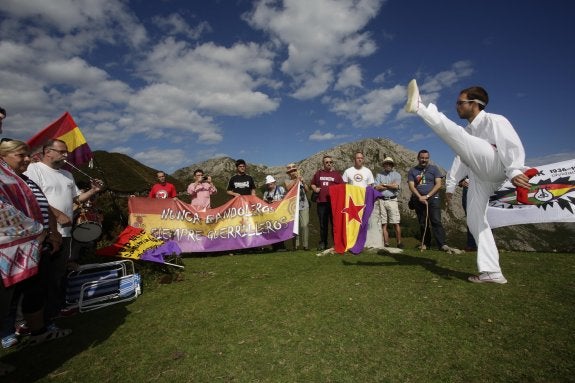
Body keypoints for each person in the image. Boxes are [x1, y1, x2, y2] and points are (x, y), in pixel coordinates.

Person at [405, 79, 530, 284]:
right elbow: (462, 160)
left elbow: (511, 145)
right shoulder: (469, 133)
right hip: (479, 177)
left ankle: (420, 107)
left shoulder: (495, 121)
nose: (457, 106)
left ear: (475, 103)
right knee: (475, 220)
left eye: (460, 102)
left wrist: (515, 170)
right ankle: (492, 272)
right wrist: (451, 187)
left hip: (497, 166)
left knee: (459, 136)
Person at [0, 140, 71, 350]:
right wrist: (39, 230)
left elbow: (43, 206)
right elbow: (8, 215)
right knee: (9, 298)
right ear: (3, 157)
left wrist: (53, 233)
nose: (27, 159)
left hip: (39, 245)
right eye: (21, 155)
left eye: (27, 155)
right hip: (11, 251)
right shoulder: (6, 183)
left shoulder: (24, 181)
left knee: (36, 290)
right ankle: (6, 333)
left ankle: (38, 331)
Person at [24, 139, 103, 321]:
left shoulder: (68, 174)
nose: (66, 155)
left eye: (66, 152)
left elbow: (76, 199)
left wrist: (92, 191)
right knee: (37, 279)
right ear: (48, 151)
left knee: (57, 275)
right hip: (44, 233)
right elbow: (32, 197)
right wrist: (58, 215)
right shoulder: (34, 169)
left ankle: (53, 312)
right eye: (62, 151)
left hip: (65, 232)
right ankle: (26, 321)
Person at [407, 150, 449, 251]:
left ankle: (442, 244)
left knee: (436, 221)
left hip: (433, 198)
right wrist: (419, 197)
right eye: (422, 158)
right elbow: (411, 186)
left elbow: (439, 184)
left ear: (428, 158)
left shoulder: (434, 169)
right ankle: (425, 244)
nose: (424, 160)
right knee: (422, 222)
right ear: (418, 158)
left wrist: (427, 195)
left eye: (426, 158)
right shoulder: (413, 171)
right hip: (419, 199)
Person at [310, 155, 344, 251]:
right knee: (323, 224)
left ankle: (336, 243)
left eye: (330, 162)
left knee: (334, 224)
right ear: (323, 164)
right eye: (327, 162)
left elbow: (342, 187)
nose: (329, 163)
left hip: (334, 203)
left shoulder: (337, 175)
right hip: (321, 202)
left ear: (332, 163)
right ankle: (323, 243)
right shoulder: (319, 173)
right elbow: (312, 183)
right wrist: (315, 189)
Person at [446, 156, 477, 251]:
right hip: (468, 189)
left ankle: (487, 245)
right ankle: (471, 245)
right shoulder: (464, 151)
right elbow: (455, 172)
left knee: (487, 215)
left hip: (486, 187)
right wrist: (460, 181)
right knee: (471, 217)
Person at [374, 157, 403, 248]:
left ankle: (399, 243)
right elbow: (376, 188)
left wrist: (384, 185)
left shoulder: (397, 175)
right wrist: (390, 185)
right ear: (384, 165)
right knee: (384, 223)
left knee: (396, 222)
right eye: (386, 163)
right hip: (382, 200)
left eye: (390, 164)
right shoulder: (379, 175)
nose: (388, 165)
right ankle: (386, 243)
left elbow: (396, 187)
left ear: (392, 165)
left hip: (392, 200)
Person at [285, 163, 309, 251]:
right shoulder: (287, 181)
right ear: (288, 173)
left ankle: (305, 245)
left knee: (305, 225)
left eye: (294, 170)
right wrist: (297, 180)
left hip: (304, 205)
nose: (293, 172)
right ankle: (295, 246)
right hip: (293, 206)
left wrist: (303, 182)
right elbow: (288, 188)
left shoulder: (301, 179)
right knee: (295, 226)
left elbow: (307, 190)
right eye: (290, 171)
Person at [263, 175, 287, 251]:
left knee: (281, 229)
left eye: (271, 184)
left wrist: (276, 202)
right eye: (268, 184)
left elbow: (286, 199)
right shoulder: (266, 193)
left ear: (274, 182)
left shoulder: (281, 189)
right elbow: (263, 202)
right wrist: (267, 202)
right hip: (271, 214)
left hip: (280, 212)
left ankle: (281, 246)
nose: (269, 185)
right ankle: (275, 246)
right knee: (273, 230)